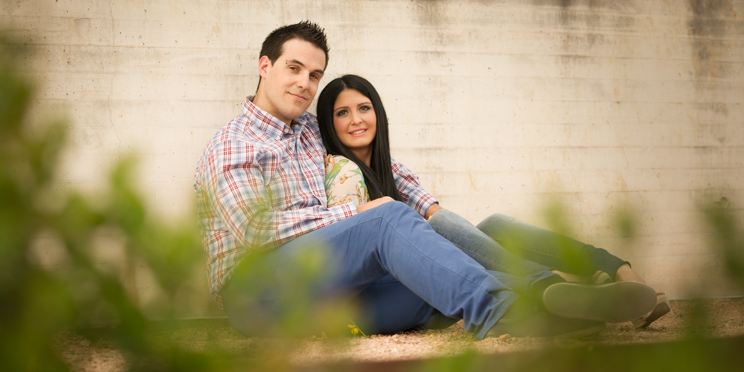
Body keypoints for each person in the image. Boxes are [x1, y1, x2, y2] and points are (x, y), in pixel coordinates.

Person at [193, 22, 657, 341]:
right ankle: (500, 312)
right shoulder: (236, 144)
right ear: (264, 66)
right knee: (386, 219)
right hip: (262, 292)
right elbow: (256, 231)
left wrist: (424, 208)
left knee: (432, 281)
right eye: (294, 68)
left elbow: (381, 166)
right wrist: (358, 212)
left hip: (328, 296)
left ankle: (552, 308)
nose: (305, 83)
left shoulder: (311, 132)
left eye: (314, 75)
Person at [315, 74, 670, 329]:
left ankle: (608, 269)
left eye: (363, 107)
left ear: (378, 113)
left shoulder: (390, 169)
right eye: (342, 112)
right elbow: (346, 253)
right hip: (387, 291)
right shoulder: (338, 171)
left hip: (429, 270)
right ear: (328, 125)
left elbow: (436, 213)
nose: (356, 119)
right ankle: (557, 284)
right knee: (446, 231)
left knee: (490, 225)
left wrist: (455, 241)